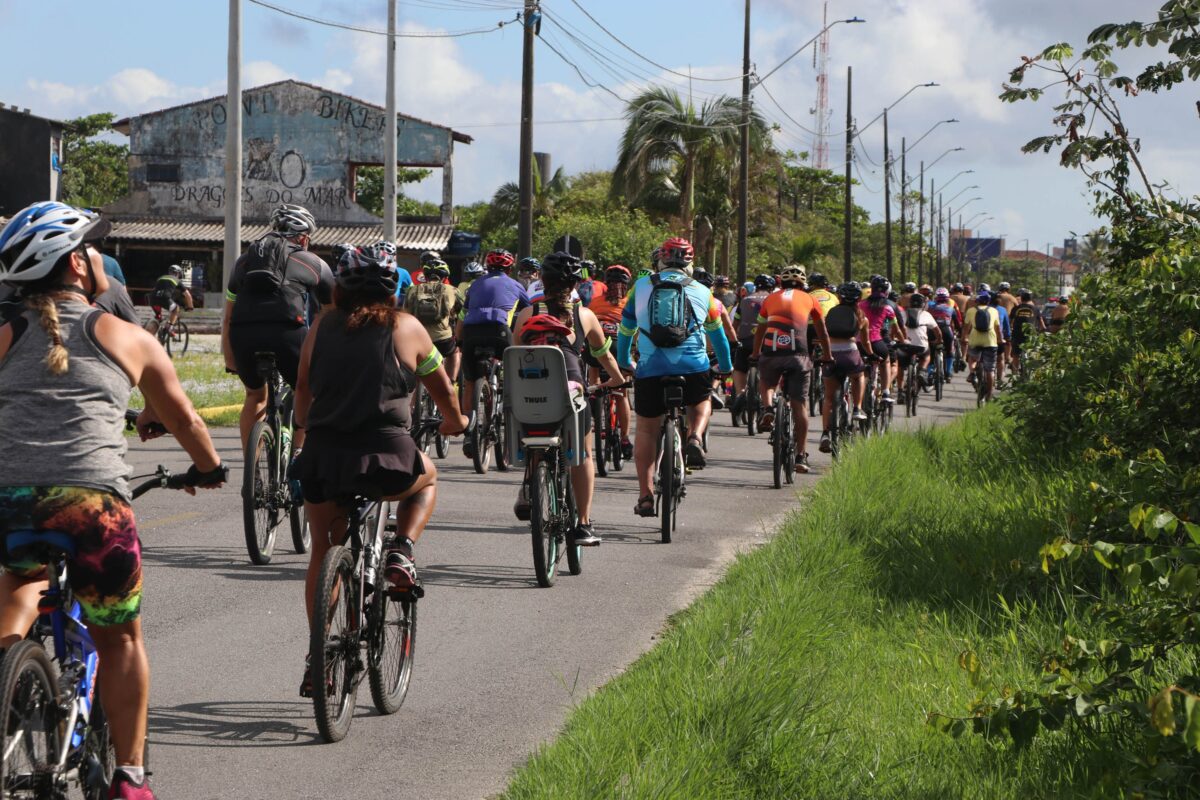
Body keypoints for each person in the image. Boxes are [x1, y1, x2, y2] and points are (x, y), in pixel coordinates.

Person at [0, 201, 227, 800]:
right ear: (77, 264)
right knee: (121, 639)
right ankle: (130, 776)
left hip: (10, 501)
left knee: (17, 581)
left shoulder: (3, 335)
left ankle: (8, 675)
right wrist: (210, 467)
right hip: (93, 506)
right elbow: (186, 419)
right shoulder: (126, 335)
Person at [292, 245, 468, 695]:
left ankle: (319, 656)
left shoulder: (321, 326)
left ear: (341, 287)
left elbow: (303, 390)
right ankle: (401, 552)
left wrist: (302, 430)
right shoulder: (407, 327)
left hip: (326, 460)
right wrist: (455, 421)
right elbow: (442, 388)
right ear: (393, 289)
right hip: (388, 459)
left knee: (322, 552)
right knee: (427, 478)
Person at [513, 252, 625, 544]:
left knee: (533, 433)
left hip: (530, 394)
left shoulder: (527, 314)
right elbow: (603, 355)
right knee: (584, 454)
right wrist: (618, 379)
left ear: (542, 280)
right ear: (576, 283)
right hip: (570, 392)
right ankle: (584, 524)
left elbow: (514, 355)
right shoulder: (584, 315)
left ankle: (529, 483)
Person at [617, 237, 732, 516]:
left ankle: (645, 495)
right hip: (693, 367)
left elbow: (625, 331)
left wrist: (624, 361)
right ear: (690, 264)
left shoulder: (640, 287)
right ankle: (694, 437)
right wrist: (726, 367)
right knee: (702, 399)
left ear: (660, 260)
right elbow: (719, 338)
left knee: (645, 429)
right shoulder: (705, 293)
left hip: (650, 369)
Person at [223, 203, 335, 450]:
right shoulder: (313, 262)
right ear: (304, 237)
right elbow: (333, 311)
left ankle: (252, 472)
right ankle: (297, 460)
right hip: (287, 333)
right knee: (305, 391)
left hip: (243, 334)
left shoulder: (243, 262)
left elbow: (228, 316)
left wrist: (229, 357)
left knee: (255, 395)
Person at [752, 264, 831, 474]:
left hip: (772, 349)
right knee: (800, 404)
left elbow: (760, 328)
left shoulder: (770, 298)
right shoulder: (810, 298)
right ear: (803, 283)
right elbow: (822, 329)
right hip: (799, 353)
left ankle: (768, 408)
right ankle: (801, 455)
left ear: (781, 282)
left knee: (767, 382)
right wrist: (828, 354)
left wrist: (755, 353)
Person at [456, 249, 529, 431]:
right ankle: (512, 411)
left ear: (487, 267)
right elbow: (530, 313)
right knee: (515, 373)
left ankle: (468, 431)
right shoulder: (516, 285)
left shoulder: (474, 285)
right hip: (500, 331)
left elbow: (462, 316)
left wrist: (458, 340)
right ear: (510, 269)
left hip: (471, 332)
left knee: (470, 381)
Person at [587, 264, 634, 459]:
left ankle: (593, 397)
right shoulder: (630, 304)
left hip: (597, 349)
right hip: (620, 348)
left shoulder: (595, 302)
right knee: (622, 392)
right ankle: (624, 437)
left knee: (594, 370)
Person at [818, 281, 871, 452]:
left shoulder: (831, 313)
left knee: (828, 397)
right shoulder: (861, 316)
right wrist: (871, 355)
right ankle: (857, 408)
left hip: (830, 354)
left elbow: (823, 333)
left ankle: (825, 433)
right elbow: (866, 341)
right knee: (858, 376)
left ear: (839, 296)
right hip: (850, 353)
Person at [404, 255, 462, 383]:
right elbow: (462, 312)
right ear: (445, 276)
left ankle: (414, 400)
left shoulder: (412, 290)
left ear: (425, 275)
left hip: (418, 339)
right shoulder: (452, 290)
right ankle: (450, 382)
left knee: (418, 365)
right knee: (455, 352)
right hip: (442, 339)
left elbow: (406, 314)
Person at [732, 275, 775, 419]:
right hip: (767, 342)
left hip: (745, 341)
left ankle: (740, 393)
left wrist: (734, 338)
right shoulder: (774, 300)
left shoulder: (744, 300)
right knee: (773, 368)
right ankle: (771, 396)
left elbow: (735, 324)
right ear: (771, 287)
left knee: (739, 368)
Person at [859, 275, 905, 404]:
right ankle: (885, 391)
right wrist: (903, 340)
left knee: (862, 372)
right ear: (887, 291)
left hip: (859, 342)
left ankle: (859, 401)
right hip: (876, 341)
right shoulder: (888, 308)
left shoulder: (860, 304)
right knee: (886, 361)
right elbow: (896, 329)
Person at [963, 290, 1002, 401]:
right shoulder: (994, 311)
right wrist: (1000, 340)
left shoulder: (971, 311)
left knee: (972, 357)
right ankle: (989, 394)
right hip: (990, 341)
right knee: (990, 369)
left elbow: (966, 327)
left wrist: (964, 337)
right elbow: (998, 329)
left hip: (975, 340)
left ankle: (972, 373)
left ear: (977, 301)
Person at [898, 292, 942, 388]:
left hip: (905, 345)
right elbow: (938, 332)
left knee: (900, 366)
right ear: (923, 304)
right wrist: (939, 340)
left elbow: (893, 327)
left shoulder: (901, 313)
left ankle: (900, 390)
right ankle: (922, 370)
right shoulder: (926, 314)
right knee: (926, 356)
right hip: (921, 345)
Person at [1009, 288, 1045, 374]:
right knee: (1032, 353)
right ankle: (1031, 372)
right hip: (1030, 336)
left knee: (1016, 356)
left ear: (1021, 298)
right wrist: (1042, 331)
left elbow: (1009, 322)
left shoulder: (1016, 308)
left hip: (1017, 335)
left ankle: (1014, 375)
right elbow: (1042, 325)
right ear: (1031, 298)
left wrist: (1009, 330)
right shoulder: (1035, 309)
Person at [929, 287, 961, 378]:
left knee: (930, 351)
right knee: (949, 350)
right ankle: (948, 372)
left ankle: (929, 371)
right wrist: (961, 332)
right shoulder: (951, 309)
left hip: (932, 331)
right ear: (947, 298)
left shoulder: (930, 308)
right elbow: (957, 324)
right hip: (947, 331)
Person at [149, 264, 193, 328]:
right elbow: (188, 295)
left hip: (152, 299)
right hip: (165, 298)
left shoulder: (161, 277)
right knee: (176, 309)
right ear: (178, 273)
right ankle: (170, 328)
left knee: (158, 317)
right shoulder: (177, 280)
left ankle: (151, 330)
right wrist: (190, 307)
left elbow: (156, 289)